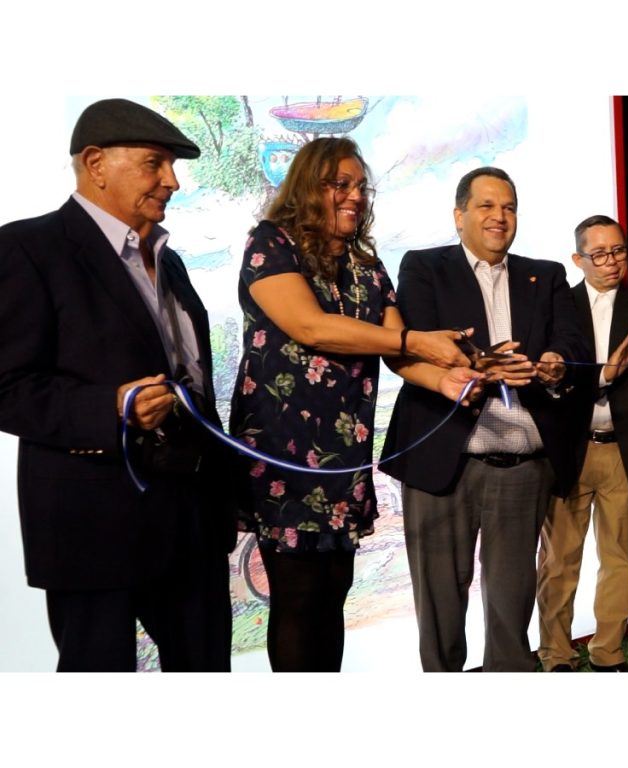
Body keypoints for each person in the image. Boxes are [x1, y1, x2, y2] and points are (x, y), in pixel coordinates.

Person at [0, 98, 236, 671]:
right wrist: (110, 408)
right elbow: (7, 387)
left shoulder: (171, 262)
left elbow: (194, 384)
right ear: (95, 162)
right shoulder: (27, 249)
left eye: (172, 167)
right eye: (155, 163)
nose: (172, 181)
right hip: (92, 526)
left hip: (191, 524)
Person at [229, 137, 477, 672]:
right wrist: (416, 342)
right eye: (340, 185)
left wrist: (450, 380)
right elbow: (310, 326)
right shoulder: (271, 244)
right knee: (296, 596)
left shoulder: (367, 264)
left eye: (360, 186)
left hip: (343, 458)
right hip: (283, 456)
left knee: (333, 592)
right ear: (307, 187)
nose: (355, 196)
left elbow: (400, 351)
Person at [381, 166, 588, 672]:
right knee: (441, 607)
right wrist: (480, 364)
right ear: (459, 216)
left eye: (510, 206)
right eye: (487, 206)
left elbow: (572, 345)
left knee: (511, 609)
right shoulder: (425, 267)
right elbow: (412, 346)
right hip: (442, 461)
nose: (500, 217)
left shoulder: (547, 274)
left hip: (521, 466)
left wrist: (554, 364)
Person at [535, 215, 628, 673]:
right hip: (571, 448)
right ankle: (555, 654)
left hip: (623, 448)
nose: (612, 262)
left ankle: (607, 652)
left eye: (619, 251)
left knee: (618, 558)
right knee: (559, 559)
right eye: (601, 254)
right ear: (578, 259)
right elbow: (552, 375)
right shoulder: (558, 305)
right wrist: (602, 375)